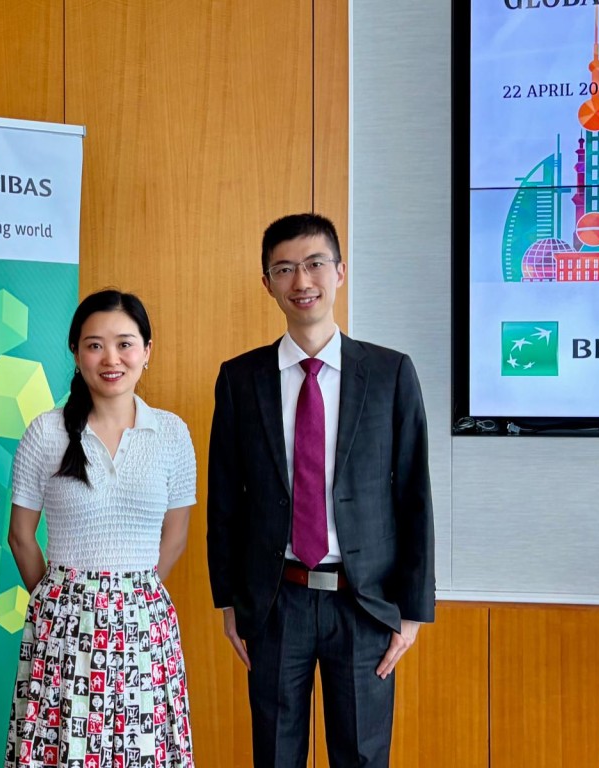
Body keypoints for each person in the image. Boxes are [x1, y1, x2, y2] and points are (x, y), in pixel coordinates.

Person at [206, 213, 435, 767]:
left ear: (340, 271)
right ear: (267, 283)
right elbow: (224, 501)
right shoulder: (241, 379)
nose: (301, 281)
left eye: (313, 264)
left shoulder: (389, 373)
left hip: (365, 603)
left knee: (360, 756)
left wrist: (413, 610)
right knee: (276, 755)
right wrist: (230, 602)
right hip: (275, 599)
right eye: (284, 269)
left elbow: (413, 493)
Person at [5, 290, 197, 768]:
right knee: (60, 748)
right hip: (63, 624)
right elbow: (21, 536)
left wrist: (131, 594)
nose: (111, 359)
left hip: (145, 622)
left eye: (125, 344)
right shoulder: (45, 432)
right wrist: (62, 599)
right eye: (94, 345)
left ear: (147, 351)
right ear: (75, 352)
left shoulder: (172, 433)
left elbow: (175, 535)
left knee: (143, 750)